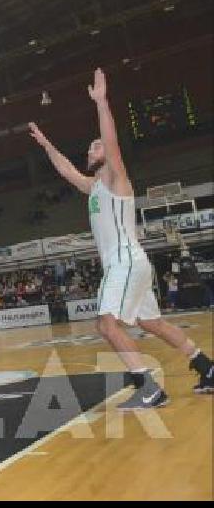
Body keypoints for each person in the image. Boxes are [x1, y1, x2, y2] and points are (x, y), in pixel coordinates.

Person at [28, 68, 214, 409]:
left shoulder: (116, 179)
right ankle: (208, 368)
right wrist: (46, 144)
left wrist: (101, 102)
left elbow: (111, 142)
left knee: (106, 324)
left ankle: (148, 387)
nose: (92, 148)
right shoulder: (95, 188)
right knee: (152, 324)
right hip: (131, 263)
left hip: (125, 262)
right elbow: (67, 170)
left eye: (95, 145)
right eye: (89, 147)